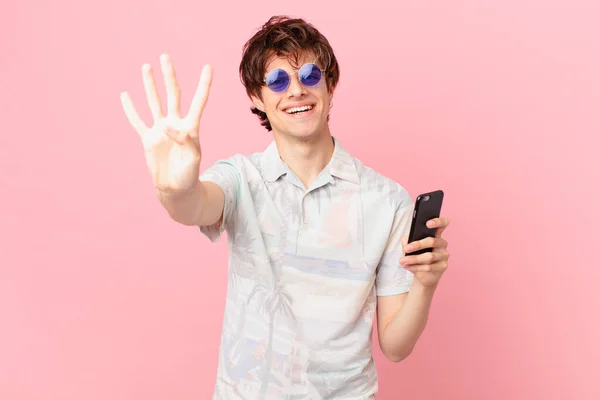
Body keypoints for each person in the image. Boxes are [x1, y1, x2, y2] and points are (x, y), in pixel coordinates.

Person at [120, 15, 450, 400]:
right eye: (277, 80)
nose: (296, 90)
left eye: (310, 74)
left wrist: (425, 284)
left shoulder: (387, 200)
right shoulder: (241, 178)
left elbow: (396, 346)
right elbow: (195, 205)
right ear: (257, 98)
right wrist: (174, 188)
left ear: (330, 84)